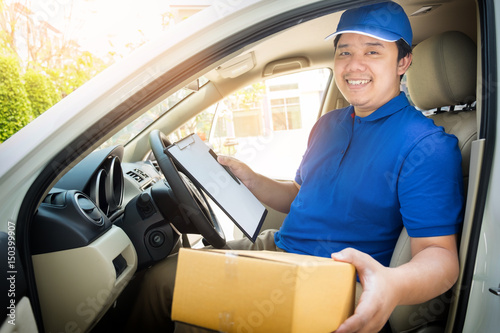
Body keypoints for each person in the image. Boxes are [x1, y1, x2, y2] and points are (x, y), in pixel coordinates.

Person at [127, 2, 464, 332]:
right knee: (169, 271)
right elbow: (300, 196)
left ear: (403, 61)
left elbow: (440, 257)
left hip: (328, 278)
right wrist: (250, 178)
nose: (353, 65)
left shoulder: (427, 146)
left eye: (373, 52)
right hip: (280, 246)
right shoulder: (329, 124)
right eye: (344, 52)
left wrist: (392, 284)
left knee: (164, 285)